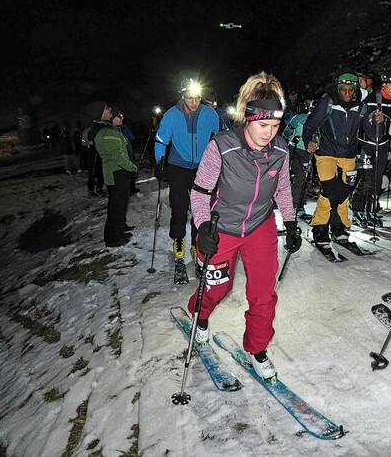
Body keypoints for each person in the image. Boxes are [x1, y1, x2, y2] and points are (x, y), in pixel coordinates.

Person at [186, 71, 302, 380]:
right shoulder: (222, 146)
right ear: (248, 118)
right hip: (221, 227)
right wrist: (203, 226)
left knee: (264, 294)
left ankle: (257, 348)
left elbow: (283, 189)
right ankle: (200, 314)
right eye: (264, 125)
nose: (269, 133)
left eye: (275, 126)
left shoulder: (280, 150)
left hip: (259, 226)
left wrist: (290, 222)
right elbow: (200, 192)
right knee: (217, 289)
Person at [301, 73, 377, 244]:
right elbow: (310, 125)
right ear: (338, 89)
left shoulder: (362, 107)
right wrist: (309, 141)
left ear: (355, 89)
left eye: (350, 90)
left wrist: (378, 123)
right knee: (329, 190)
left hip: (348, 154)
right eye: (343, 90)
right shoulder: (328, 103)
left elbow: (373, 135)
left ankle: (338, 225)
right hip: (326, 152)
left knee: (343, 193)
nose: (347, 93)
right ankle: (320, 226)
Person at [153, 79, 220, 271]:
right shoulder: (171, 115)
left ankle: (196, 242)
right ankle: (179, 241)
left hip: (201, 167)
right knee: (179, 206)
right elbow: (161, 140)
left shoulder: (210, 114)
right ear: (183, 96)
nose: (194, 102)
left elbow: (220, 137)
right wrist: (159, 160)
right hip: (178, 166)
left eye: (197, 98)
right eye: (190, 98)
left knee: (202, 208)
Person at [353, 71, 391, 227]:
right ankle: (358, 209)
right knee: (367, 178)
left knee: (377, 178)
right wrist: (374, 119)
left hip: (383, 144)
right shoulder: (371, 99)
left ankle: (371, 210)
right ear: (383, 85)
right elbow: (361, 119)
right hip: (366, 143)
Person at [95, 107, 138, 247]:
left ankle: (120, 229)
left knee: (121, 204)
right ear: (113, 118)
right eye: (119, 116)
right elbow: (118, 156)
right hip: (116, 173)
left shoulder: (114, 130)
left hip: (120, 172)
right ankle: (112, 238)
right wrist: (132, 167)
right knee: (116, 206)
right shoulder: (107, 132)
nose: (122, 118)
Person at [282, 106, 311, 219]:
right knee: (300, 177)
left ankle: (299, 205)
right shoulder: (299, 118)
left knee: (304, 179)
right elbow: (286, 132)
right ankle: (295, 205)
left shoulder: (322, 121)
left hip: (307, 152)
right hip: (295, 150)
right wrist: (290, 139)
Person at [85, 102, 112, 197]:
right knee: (94, 170)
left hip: (102, 154)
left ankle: (99, 187)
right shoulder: (96, 125)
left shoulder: (104, 124)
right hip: (96, 154)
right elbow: (92, 139)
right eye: (106, 108)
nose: (110, 109)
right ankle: (91, 189)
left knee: (102, 170)